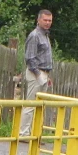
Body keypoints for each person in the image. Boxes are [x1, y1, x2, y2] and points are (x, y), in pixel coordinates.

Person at [20, 9, 54, 138]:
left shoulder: (45, 35)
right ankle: (23, 134)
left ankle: (35, 134)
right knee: (31, 104)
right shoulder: (34, 35)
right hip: (35, 73)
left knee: (40, 105)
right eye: (45, 20)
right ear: (38, 20)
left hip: (44, 72)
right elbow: (30, 57)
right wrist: (38, 74)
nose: (47, 23)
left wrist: (47, 75)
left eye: (50, 20)